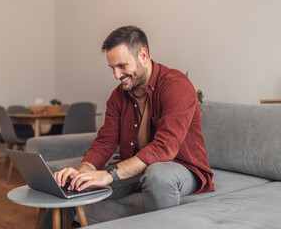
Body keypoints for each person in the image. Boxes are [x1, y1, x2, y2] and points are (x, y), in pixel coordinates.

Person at [49, 25, 214, 228]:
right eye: (112, 68)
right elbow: (105, 142)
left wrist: (110, 175)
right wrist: (81, 172)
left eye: (122, 66)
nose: (116, 75)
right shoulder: (118, 96)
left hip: (182, 167)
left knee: (158, 175)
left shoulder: (176, 85)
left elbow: (165, 148)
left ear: (143, 55)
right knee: (71, 185)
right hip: (137, 167)